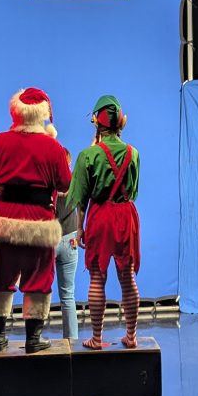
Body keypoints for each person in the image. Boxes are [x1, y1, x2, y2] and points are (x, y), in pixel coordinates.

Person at [0, 88, 73, 353]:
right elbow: (64, 183)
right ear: (43, 113)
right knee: (39, 275)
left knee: (0, 275)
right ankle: (34, 338)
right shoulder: (52, 146)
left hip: (5, 219)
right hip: (39, 220)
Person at [68, 95, 141, 350]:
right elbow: (134, 191)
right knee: (127, 275)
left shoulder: (87, 155)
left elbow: (80, 197)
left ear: (97, 123)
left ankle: (97, 339)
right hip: (126, 214)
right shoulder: (133, 154)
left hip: (100, 216)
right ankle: (131, 336)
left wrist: (80, 227)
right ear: (120, 121)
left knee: (97, 277)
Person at [54, 149, 80, 340]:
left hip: (49, 240)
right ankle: (72, 342)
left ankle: (34, 338)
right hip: (71, 240)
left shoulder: (48, 184)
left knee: (40, 292)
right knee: (68, 296)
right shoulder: (75, 182)